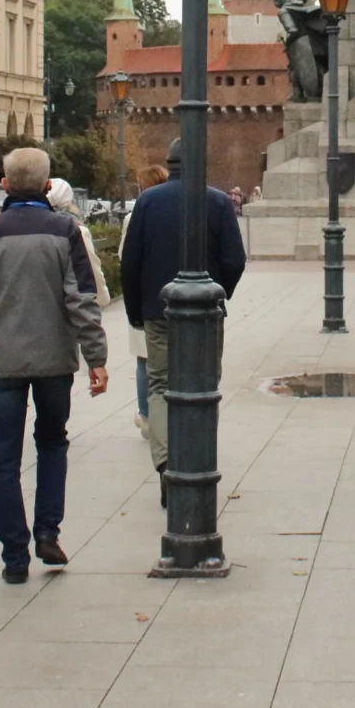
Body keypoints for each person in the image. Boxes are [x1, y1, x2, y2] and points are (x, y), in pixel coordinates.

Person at [0, 148, 109, 584]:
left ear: (4, 185)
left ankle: (14, 554)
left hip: (2, 362)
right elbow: (82, 299)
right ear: (46, 187)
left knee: (3, 457)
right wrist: (96, 358)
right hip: (55, 360)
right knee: (53, 444)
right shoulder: (65, 231)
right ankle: (48, 532)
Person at [119, 140, 247, 499]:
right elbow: (235, 260)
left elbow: (130, 262)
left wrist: (134, 310)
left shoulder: (147, 201)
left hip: (157, 311)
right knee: (204, 386)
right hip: (206, 314)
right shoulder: (219, 201)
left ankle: (165, 463)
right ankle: (196, 460)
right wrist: (219, 294)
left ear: (169, 163)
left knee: (159, 386)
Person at [128, 165, 170, 434]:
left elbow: (127, 260)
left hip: (147, 299)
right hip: (179, 297)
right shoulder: (183, 209)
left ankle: (147, 416)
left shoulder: (137, 214)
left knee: (146, 361)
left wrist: (133, 308)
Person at [48, 178, 112, 307]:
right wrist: (102, 298)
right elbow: (92, 273)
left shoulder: (30, 228)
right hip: (70, 311)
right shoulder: (77, 230)